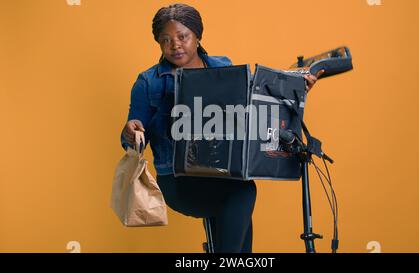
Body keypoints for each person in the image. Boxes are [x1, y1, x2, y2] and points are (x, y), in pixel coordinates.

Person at [120, 3, 322, 253]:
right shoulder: (148, 82)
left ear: (197, 35)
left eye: (182, 36)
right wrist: (132, 130)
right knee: (242, 193)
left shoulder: (223, 67)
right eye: (166, 40)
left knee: (238, 196)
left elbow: (254, 104)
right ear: (159, 44)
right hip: (178, 179)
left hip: (223, 170)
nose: (175, 45)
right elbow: (131, 135)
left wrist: (296, 89)